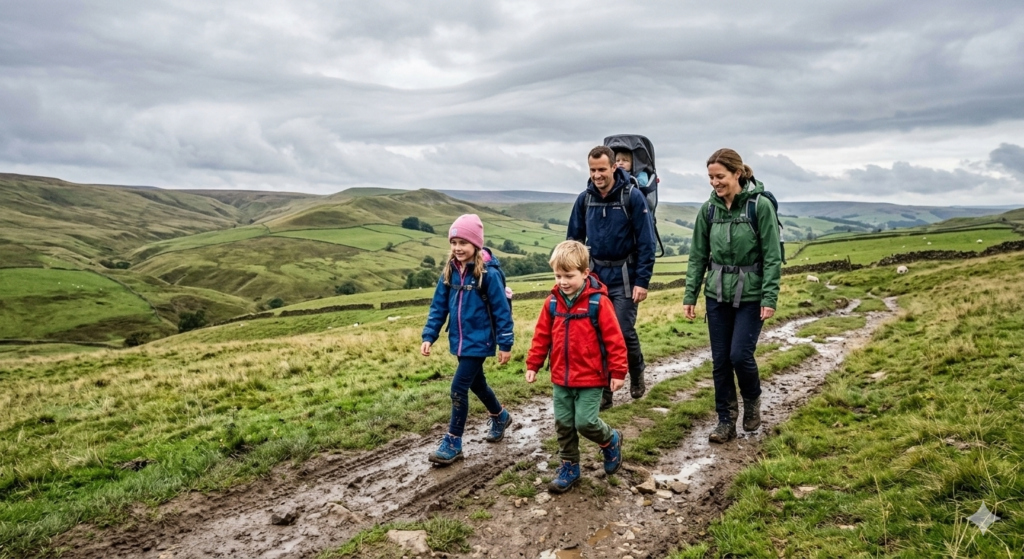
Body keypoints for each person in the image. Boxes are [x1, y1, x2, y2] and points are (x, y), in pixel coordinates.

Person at [682, 149, 782, 443]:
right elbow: (697, 256)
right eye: (711, 177)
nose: (714, 182)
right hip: (716, 293)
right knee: (720, 361)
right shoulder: (708, 210)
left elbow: (773, 257)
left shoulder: (759, 207)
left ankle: (752, 400)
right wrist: (691, 295)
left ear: (737, 174)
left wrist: (769, 298)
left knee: (740, 355)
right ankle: (725, 421)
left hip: (751, 294)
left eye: (720, 176)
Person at [525, 240, 627, 493]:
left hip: (591, 378)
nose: (562, 281)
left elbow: (614, 339)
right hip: (560, 377)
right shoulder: (551, 303)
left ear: (585, 273)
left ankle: (610, 440)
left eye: (569, 276)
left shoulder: (598, 303)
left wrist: (618, 372)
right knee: (563, 423)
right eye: (558, 276)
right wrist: (533, 364)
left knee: (585, 422)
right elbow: (541, 337)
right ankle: (570, 466)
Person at [567, 146, 657, 409]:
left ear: (614, 168)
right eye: (593, 170)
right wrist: (572, 276)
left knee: (621, 330)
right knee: (595, 334)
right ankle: (604, 392)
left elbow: (646, 243)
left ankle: (636, 368)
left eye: (602, 169)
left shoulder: (633, 197)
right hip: (595, 278)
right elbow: (573, 241)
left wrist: (642, 281)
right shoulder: (584, 200)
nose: (597, 175)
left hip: (626, 277)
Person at [421, 214, 515, 465]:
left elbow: (501, 311)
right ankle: (500, 416)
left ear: (476, 244)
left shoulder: (488, 274)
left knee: (458, 388)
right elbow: (438, 306)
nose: (457, 248)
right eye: (453, 242)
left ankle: (453, 441)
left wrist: (505, 344)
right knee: (477, 384)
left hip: (480, 341)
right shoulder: (450, 271)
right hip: (460, 341)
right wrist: (429, 335)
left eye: (463, 242)